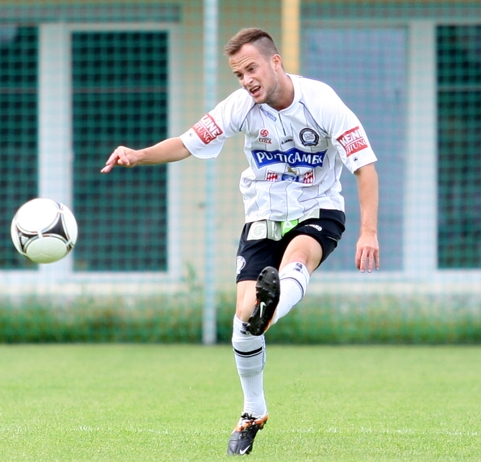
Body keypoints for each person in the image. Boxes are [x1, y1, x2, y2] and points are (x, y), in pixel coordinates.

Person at [101, 27, 380, 456]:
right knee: (244, 323)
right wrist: (138, 154)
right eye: (238, 73)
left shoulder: (321, 101)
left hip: (317, 209)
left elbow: (364, 166)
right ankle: (253, 411)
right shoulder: (241, 106)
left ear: (275, 62)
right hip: (262, 217)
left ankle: (272, 301)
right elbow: (188, 143)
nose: (246, 79)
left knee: (296, 261)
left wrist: (369, 231)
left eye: (251, 68)